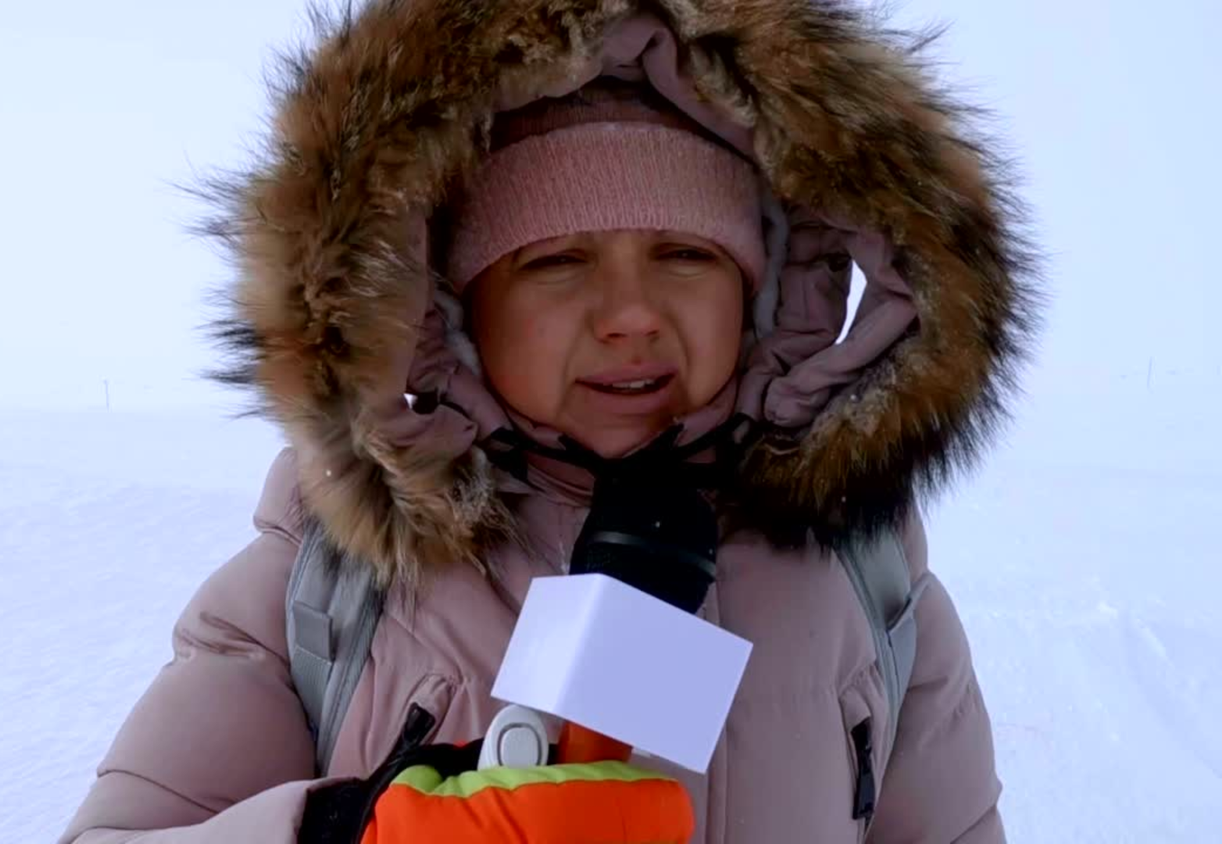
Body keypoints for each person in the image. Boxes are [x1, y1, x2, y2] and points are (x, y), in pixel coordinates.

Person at [59, 1, 1037, 842]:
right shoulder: (331, 580)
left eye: (686, 256)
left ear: (765, 288)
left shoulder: (862, 575)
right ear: (452, 306)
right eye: (555, 262)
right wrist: (354, 830)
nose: (631, 313)